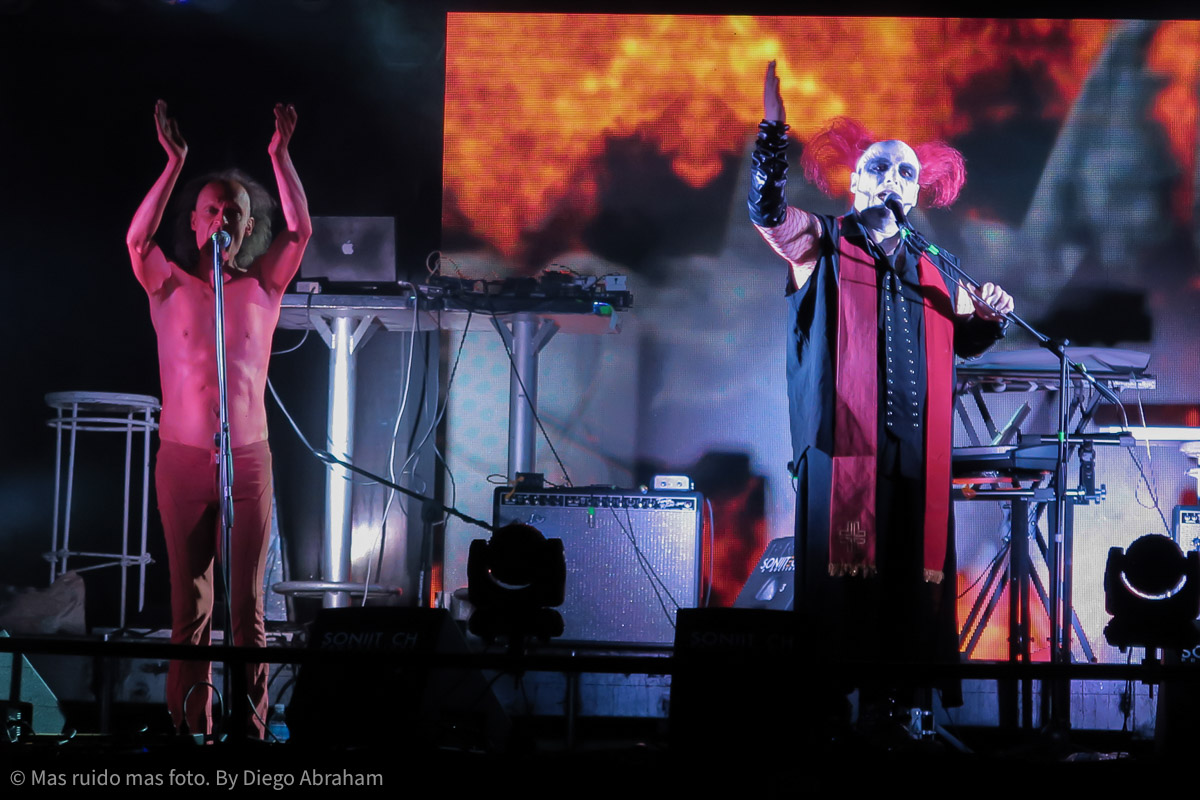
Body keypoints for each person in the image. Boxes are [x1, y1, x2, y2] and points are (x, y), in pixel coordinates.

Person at [748, 63, 1014, 711]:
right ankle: (835, 716)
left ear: (917, 193)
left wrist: (989, 318)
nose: (892, 178)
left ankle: (901, 714)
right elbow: (769, 214)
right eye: (878, 167)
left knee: (908, 589)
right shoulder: (824, 242)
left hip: (917, 456)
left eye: (904, 172)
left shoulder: (936, 266)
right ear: (855, 181)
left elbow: (960, 344)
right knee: (846, 590)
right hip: (844, 453)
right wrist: (772, 134)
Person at [126, 100, 312, 737]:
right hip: (181, 459)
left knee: (247, 609)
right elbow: (136, 241)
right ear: (196, 220)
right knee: (191, 610)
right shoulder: (168, 285)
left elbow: (301, 232)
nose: (221, 218)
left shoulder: (262, 287)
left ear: (247, 224)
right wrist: (174, 162)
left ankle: (251, 732)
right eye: (211, 209)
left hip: (247, 460)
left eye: (232, 211)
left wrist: (280, 157)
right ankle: (189, 731)